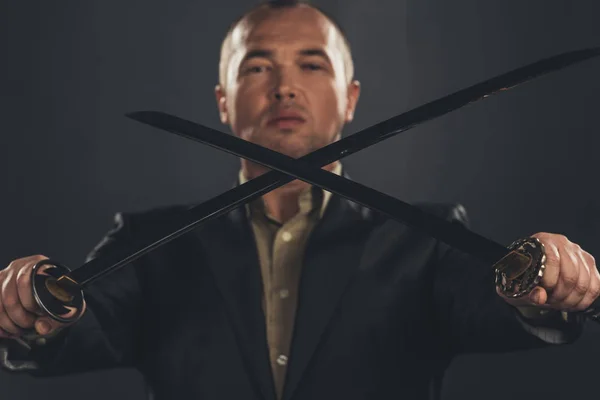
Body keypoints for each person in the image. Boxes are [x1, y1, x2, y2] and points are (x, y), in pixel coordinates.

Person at [0, 1, 598, 399]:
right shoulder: (149, 243)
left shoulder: (426, 240)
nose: (285, 85)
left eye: (312, 65)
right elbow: (77, 325)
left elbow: (500, 305)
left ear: (351, 97)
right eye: (257, 67)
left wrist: (546, 283)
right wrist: (32, 308)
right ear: (223, 102)